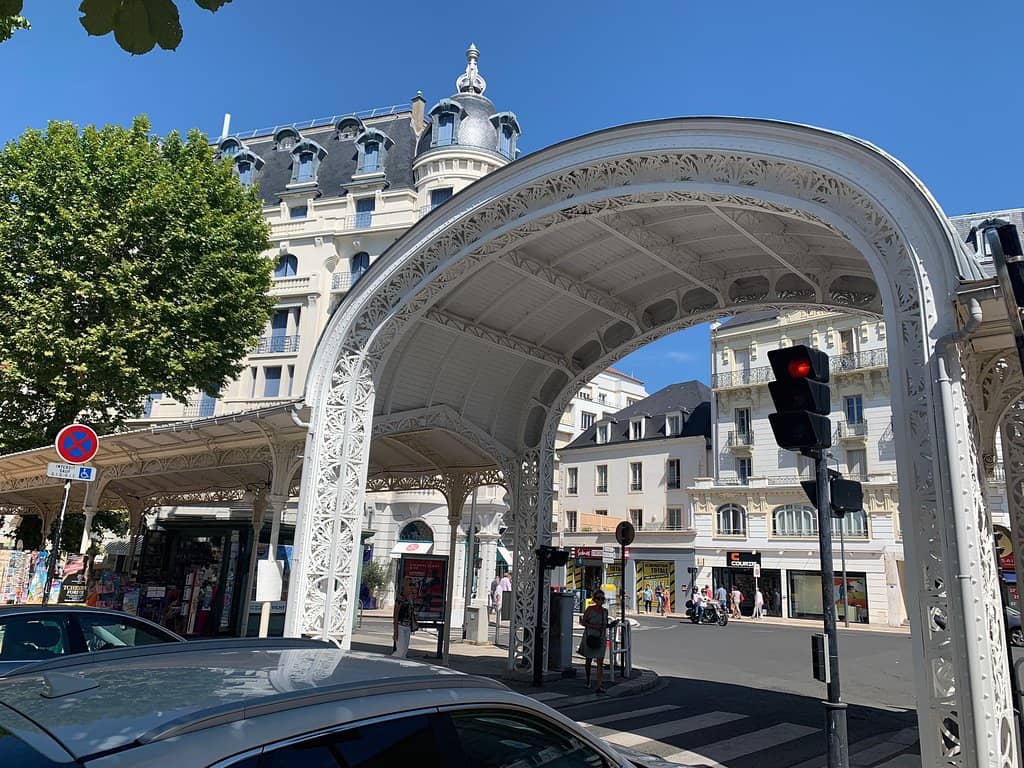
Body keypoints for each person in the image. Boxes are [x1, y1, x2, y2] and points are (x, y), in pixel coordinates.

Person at [579, 589, 609, 692]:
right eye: (598, 598)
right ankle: (588, 680)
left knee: (600, 662)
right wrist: (594, 626)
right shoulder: (589, 609)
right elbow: (583, 622)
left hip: (601, 637)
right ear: (594, 599)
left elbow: (605, 624)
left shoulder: (605, 611)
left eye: (602, 598)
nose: (600, 600)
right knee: (588, 660)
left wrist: (609, 625)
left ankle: (599, 685)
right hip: (590, 637)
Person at [392, 578, 418, 658]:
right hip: (400, 626)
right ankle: (390, 661)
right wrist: (395, 631)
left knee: (405, 650)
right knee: (401, 650)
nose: (411, 587)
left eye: (412, 585)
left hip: (407, 627)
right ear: (405, 586)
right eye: (409, 585)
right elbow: (396, 615)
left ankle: (399, 665)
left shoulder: (411, 599)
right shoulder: (400, 598)